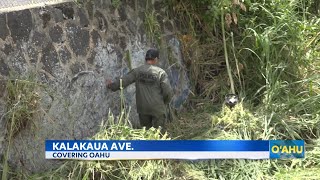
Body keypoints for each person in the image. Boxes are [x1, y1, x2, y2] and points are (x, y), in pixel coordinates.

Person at [106, 49, 173, 131]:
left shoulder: (137, 71)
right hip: (157, 108)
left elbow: (123, 82)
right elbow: (168, 92)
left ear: (146, 59)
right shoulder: (161, 73)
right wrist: (165, 102)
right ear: (155, 59)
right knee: (158, 134)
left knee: (146, 132)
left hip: (143, 108)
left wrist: (111, 85)